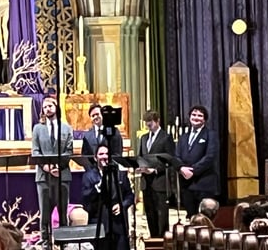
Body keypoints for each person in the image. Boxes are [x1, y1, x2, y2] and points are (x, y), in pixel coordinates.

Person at [31, 96, 73, 247]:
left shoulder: (66, 128)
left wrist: (58, 168)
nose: (47, 109)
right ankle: (45, 241)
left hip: (62, 175)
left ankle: (64, 240)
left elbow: (69, 151)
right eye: (45, 107)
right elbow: (36, 151)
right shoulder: (37, 128)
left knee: (62, 211)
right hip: (43, 176)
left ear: (56, 107)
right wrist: (47, 167)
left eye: (50, 106)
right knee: (45, 212)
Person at [81, 144, 134, 250]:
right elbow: (86, 202)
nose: (104, 156)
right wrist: (97, 188)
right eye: (101, 154)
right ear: (95, 158)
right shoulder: (89, 176)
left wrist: (121, 205)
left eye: (107, 154)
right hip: (99, 225)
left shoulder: (120, 174)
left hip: (119, 225)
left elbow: (130, 196)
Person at [175, 105, 218, 219]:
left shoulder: (210, 135)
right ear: (189, 117)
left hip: (203, 184)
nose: (196, 117)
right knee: (191, 218)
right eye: (194, 115)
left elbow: (210, 156)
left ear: (204, 119)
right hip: (187, 185)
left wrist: (192, 171)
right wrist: (181, 168)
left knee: (204, 219)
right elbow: (177, 156)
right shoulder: (183, 137)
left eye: (200, 116)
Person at [137, 110, 175, 238]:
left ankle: (162, 241)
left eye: (151, 123)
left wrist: (155, 170)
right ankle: (153, 240)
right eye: (146, 123)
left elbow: (170, 160)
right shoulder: (144, 138)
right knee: (150, 214)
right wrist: (138, 166)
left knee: (161, 216)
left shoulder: (166, 138)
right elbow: (140, 157)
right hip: (146, 183)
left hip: (159, 182)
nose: (148, 125)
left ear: (158, 121)